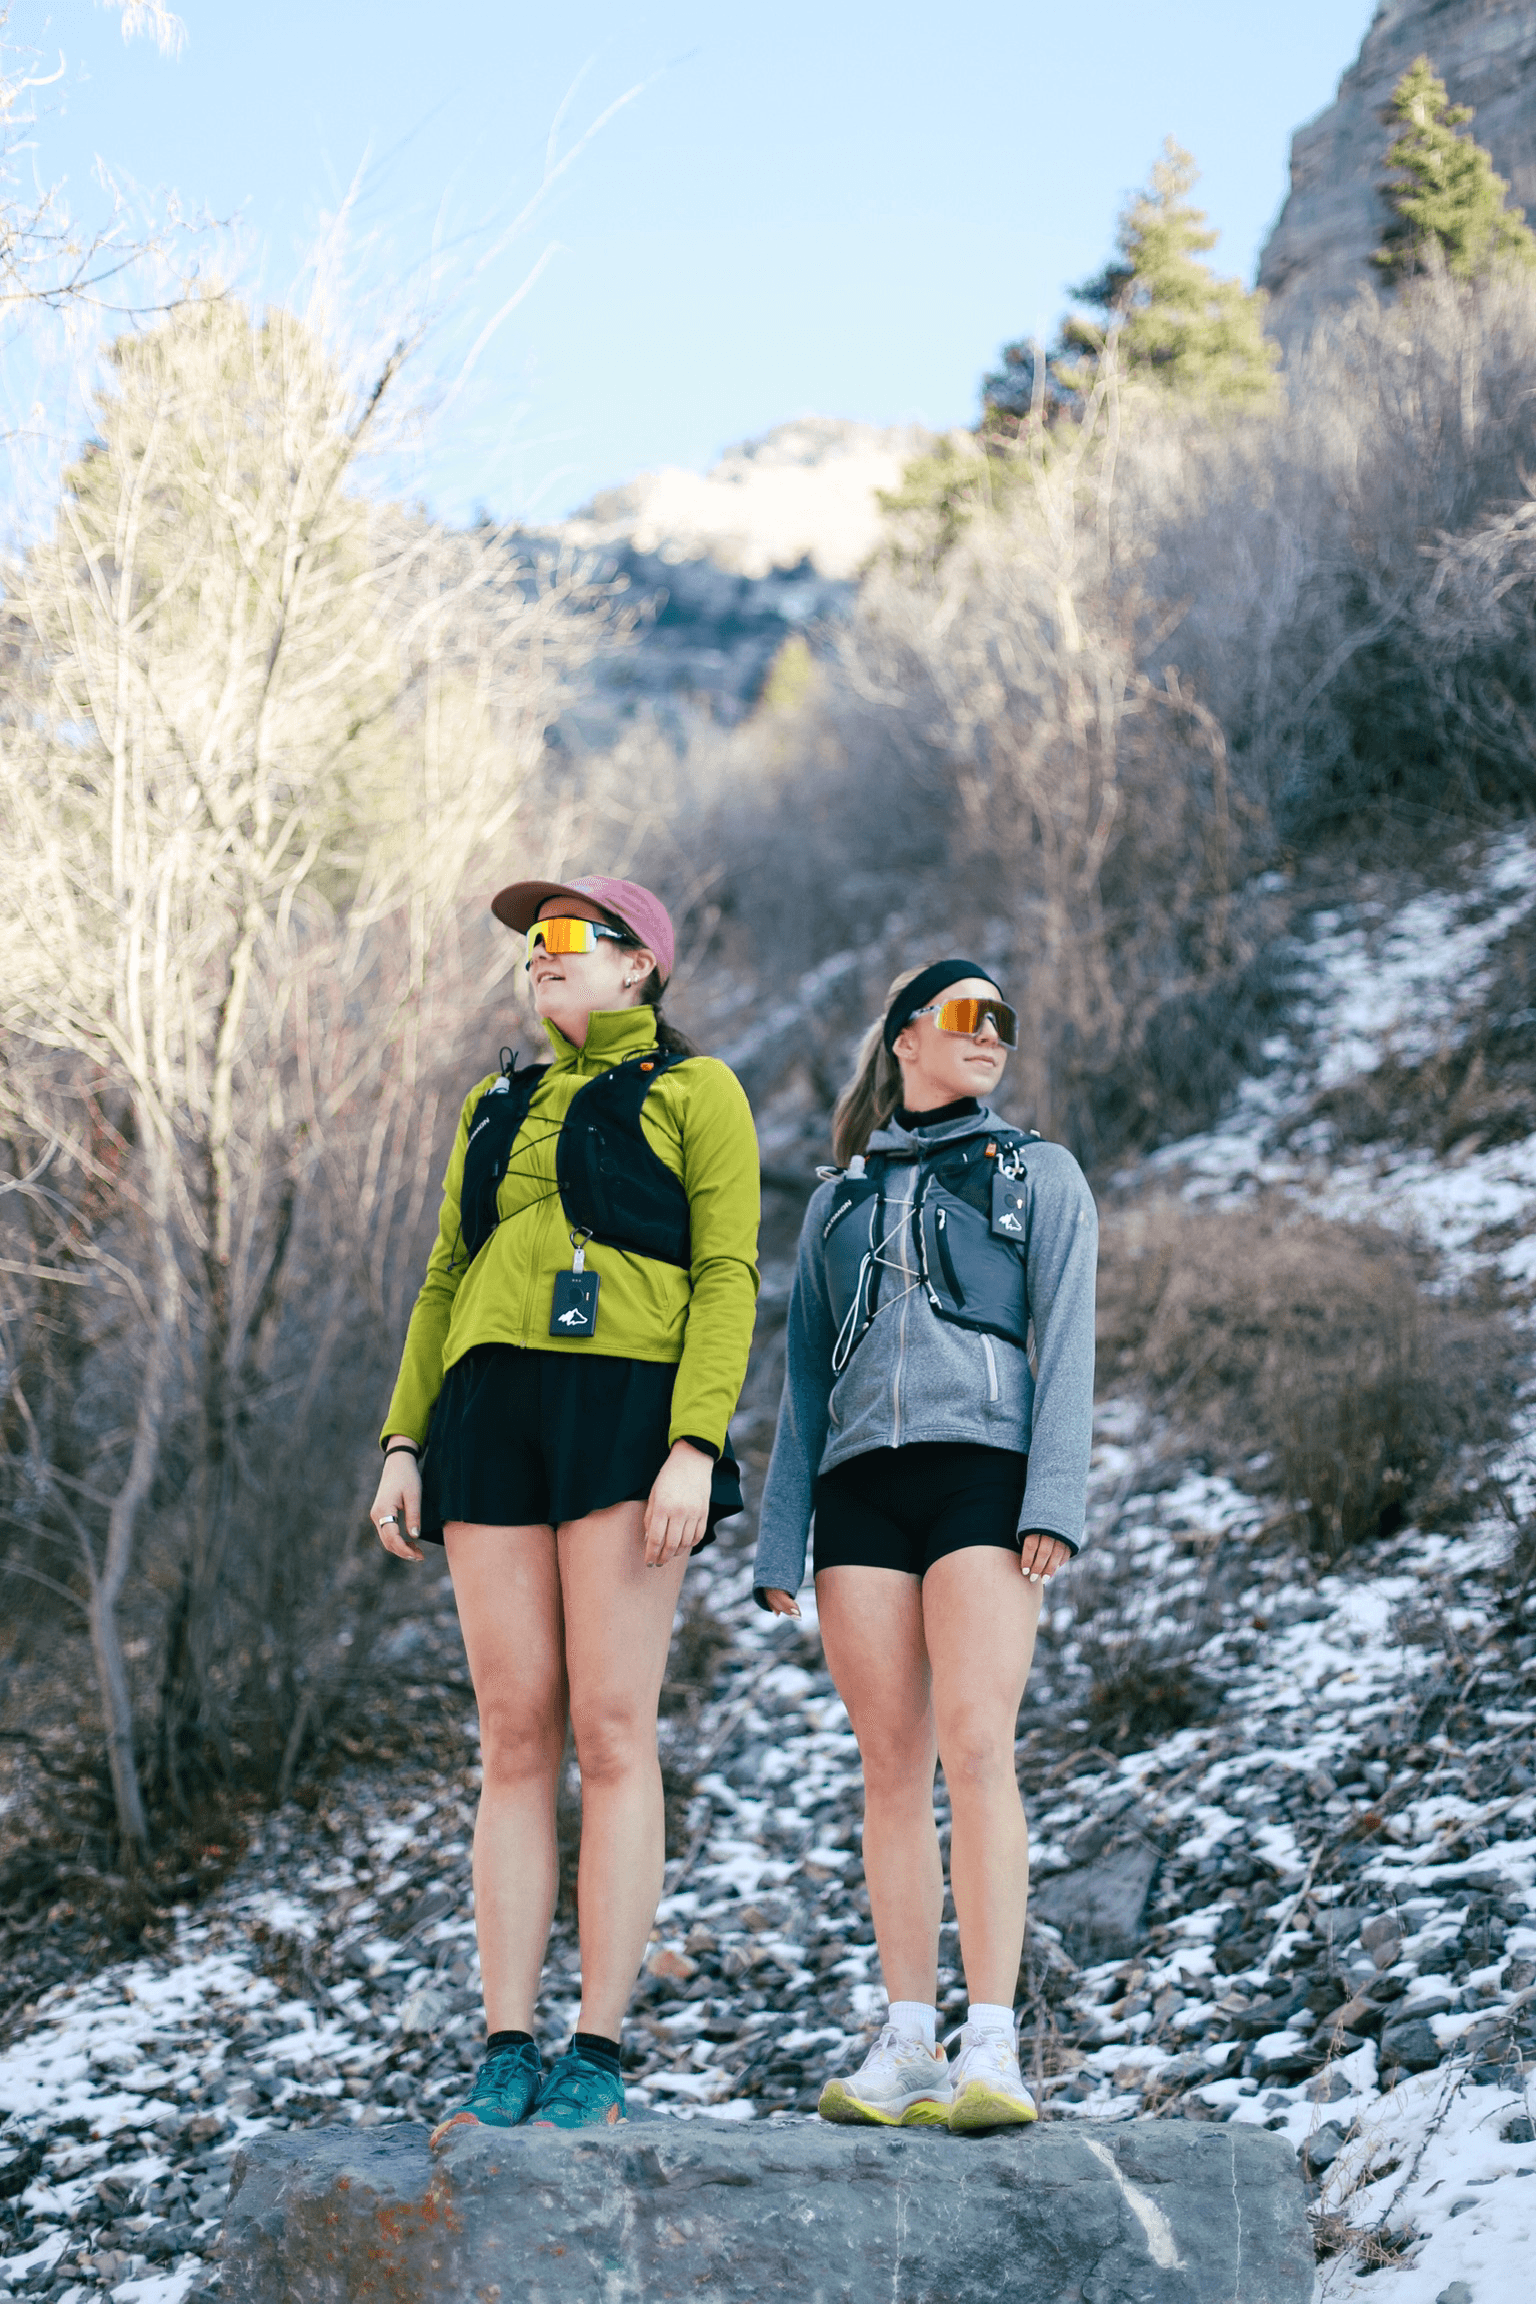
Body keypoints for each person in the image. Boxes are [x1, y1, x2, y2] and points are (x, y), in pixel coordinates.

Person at [368, 875, 759, 2137]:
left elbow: (728, 1271)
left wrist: (695, 1443)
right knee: (513, 1730)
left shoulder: (700, 1094)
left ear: (641, 967)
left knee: (611, 1726)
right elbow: (443, 1275)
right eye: (532, 943)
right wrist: (403, 1437)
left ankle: (597, 2041)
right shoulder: (493, 1102)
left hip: (627, 1416)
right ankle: (504, 2038)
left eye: (573, 937)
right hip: (487, 1422)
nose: (543, 954)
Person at [754, 959, 1096, 2132]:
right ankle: (908, 2041)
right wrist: (778, 1540)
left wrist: (1052, 1495)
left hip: (983, 1478)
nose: (992, 1033)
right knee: (890, 1765)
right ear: (907, 1039)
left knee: (976, 1745)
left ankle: (992, 2047)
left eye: (1005, 1016)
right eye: (966, 1015)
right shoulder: (837, 1201)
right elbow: (802, 1382)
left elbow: (1071, 1336)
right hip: (858, 1497)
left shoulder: (1037, 1172)